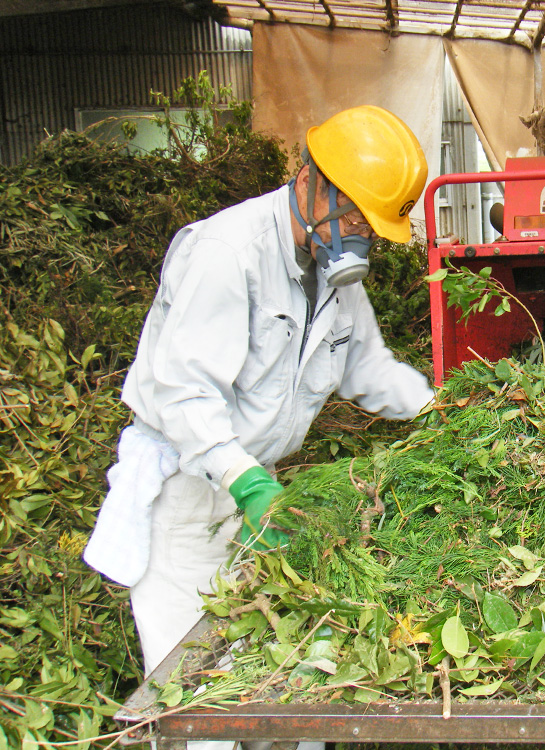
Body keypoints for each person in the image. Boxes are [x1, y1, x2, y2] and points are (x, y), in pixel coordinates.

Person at [84, 105, 434, 696]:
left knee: (268, 676)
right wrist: (244, 482)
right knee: (195, 693)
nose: (358, 237)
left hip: (257, 492)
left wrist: (437, 410)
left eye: (370, 228)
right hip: (189, 496)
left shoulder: (334, 272)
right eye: (352, 217)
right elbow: (185, 392)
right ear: (309, 180)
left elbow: (367, 365)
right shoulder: (227, 253)